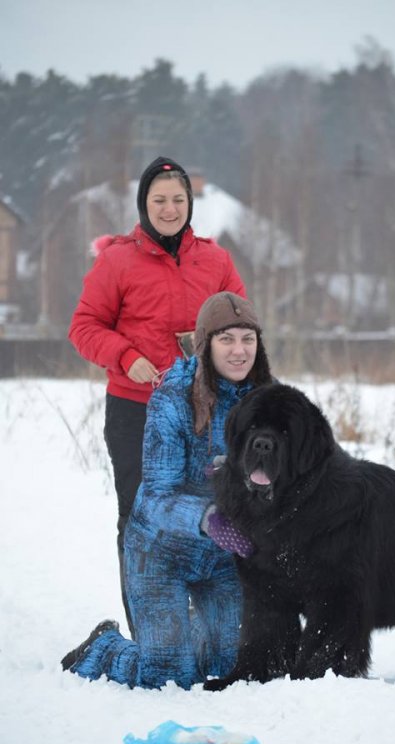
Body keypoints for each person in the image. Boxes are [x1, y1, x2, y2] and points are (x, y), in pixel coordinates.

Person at [68, 156, 246, 629]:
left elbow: (242, 326)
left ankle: (212, 624)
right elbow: (83, 327)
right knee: (144, 515)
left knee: (214, 509)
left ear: (190, 204)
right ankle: (154, 627)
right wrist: (127, 356)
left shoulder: (215, 260)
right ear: (144, 204)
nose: (169, 209)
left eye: (178, 200)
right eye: (159, 200)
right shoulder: (117, 260)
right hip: (136, 409)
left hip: (207, 412)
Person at [61, 292, 273, 690]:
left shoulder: (270, 399)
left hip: (224, 558)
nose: (239, 351)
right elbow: (157, 497)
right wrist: (208, 518)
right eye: (226, 339)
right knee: (168, 676)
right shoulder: (173, 397)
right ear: (204, 343)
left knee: (232, 664)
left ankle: (186, 633)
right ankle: (103, 648)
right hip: (160, 553)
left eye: (248, 338)